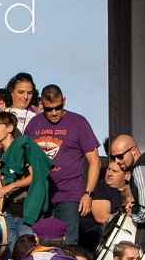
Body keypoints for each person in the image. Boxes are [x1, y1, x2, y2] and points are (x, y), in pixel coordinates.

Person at [24, 84, 101, 245]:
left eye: (58, 108)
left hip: (69, 195)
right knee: (40, 245)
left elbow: (95, 160)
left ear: (64, 101)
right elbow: (25, 157)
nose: (53, 113)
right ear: (41, 104)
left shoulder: (78, 122)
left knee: (68, 244)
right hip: (41, 195)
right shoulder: (34, 124)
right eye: (48, 109)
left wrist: (88, 194)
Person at [0, 112, 54, 258]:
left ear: (10, 128)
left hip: (26, 211)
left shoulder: (23, 147)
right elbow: (0, 185)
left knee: (28, 252)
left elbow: (35, 176)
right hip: (8, 212)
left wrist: (11, 186)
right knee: (11, 253)